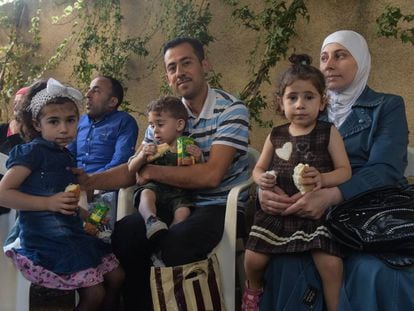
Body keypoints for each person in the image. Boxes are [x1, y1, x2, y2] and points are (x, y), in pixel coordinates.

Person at [73, 37, 250, 310]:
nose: (179, 72)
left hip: (219, 204)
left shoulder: (230, 110)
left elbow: (211, 176)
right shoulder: (163, 114)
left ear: (205, 65)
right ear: (167, 77)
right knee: (126, 233)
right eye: (171, 67)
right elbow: (134, 169)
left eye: (186, 63)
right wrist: (90, 181)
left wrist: (152, 169)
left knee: (176, 242)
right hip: (168, 201)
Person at [259, 30, 411, 310]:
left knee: (372, 270)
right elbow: (280, 163)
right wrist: (265, 191)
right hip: (309, 216)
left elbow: (385, 168)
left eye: (340, 56)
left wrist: (332, 195)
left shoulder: (386, 106)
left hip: (367, 215)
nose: (328, 64)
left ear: (362, 61)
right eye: (324, 57)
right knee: (284, 262)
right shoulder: (311, 107)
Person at [0, 78, 125, 311]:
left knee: (117, 277)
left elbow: (62, 201)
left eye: (70, 120)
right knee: (95, 292)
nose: (64, 129)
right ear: (38, 124)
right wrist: (47, 202)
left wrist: (85, 215)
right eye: (53, 121)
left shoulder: (65, 155)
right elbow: (3, 193)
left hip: (70, 233)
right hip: (46, 241)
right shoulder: (33, 152)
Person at [243, 54, 351, 311]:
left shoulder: (328, 132)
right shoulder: (276, 135)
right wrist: (263, 179)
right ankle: (252, 294)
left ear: (322, 101)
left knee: (330, 263)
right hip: (278, 213)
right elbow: (257, 169)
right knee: (252, 259)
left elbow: (345, 171)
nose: (300, 104)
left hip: (315, 215)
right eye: (293, 97)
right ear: (281, 102)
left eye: (309, 97)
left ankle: (336, 306)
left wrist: (323, 179)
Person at [128, 96, 202, 241]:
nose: (155, 131)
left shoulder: (188, 146)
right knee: (146, 193)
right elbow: (131, 167)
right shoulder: (151, 147)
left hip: (179, 193)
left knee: (183, 211)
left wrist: (199, 158)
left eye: (160, 124)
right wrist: (143, 155)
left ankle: (168, 239)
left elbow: (198, 173)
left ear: (179, 125)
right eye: (152, 125)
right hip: (155, 189)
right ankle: (151, 220)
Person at [67, 76, 138, 227]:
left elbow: (121, 161)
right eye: (89, 89)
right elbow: (67, 156)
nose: (88, 94)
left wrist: (92, 182)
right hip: (74, 189)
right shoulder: (80, 122)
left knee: (92, 231)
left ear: (112, 102)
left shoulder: (124, 121)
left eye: (96, 91)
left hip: (105, 191)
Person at [0, 87, 28, 215]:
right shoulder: (2, 129)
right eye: (15, 102)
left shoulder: (32, 138)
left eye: (21, 102)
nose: (16, 106)